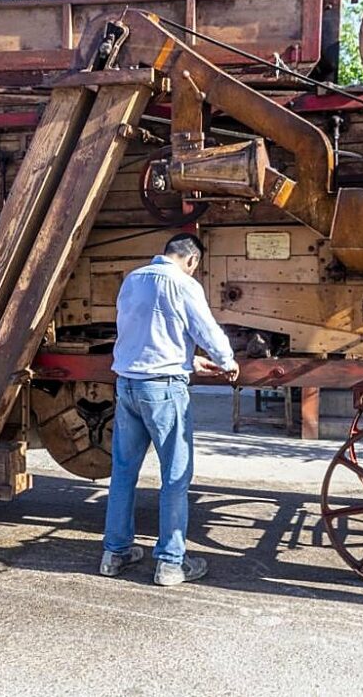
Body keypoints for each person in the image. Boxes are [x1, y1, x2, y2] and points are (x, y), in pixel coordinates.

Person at [100, 232, 240, 586]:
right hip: (163, 390)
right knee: (175, 477)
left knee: (123, 472)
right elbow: (205, 328)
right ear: (192, 260)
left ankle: (114, 554)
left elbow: (139, 333)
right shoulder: (183, 283)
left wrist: (189, 362)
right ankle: (170, 563)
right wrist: (226, 361)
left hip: (127, 384)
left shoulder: (133, 279)